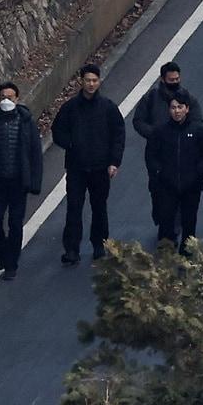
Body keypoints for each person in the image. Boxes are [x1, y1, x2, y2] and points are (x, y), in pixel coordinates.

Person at [51, 64, 125, 264]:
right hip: (76, 168)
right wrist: (72, 144)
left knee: (99, 207)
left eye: (94, 80)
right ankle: (72, 249)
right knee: (74, 207)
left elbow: (118, 135)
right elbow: (57, 130)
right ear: (81, 81)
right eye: (87, 80)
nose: (91, 84)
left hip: (101, 168)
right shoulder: (70, 108)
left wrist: (114, 162)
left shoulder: (108, 108)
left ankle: (99, 244)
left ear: (99, 81)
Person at [0, 80, 44, 280]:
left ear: (17, 98)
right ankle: (3, 250)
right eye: (3, 97)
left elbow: (35, 153)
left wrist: (34, 181)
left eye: (9, 97)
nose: (6, 100)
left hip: (18, 182)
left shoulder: (26, 121)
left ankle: (12, 263)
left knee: (15, 223)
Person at [133, 61, 203, 229]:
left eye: (177, 79)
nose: (175, 82)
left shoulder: (188, 98)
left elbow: (198, 121)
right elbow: (138, 121)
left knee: (180, 189)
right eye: (171, 79)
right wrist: (155, 135)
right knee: (157, 188)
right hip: (157, 152)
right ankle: (161, 216)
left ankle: (175, 222)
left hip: (182, 151)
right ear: (163, 79)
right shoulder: (150, 98)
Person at [144, 95, 203, 253]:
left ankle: (188, 254)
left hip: (191, 186)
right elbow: (151, 155)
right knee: (165, 221)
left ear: (187, 109)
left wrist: (199, 172)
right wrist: (159, 172)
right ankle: (166, 255)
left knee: (189, 222)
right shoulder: (160, 132)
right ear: (169, 110)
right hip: (166, 186)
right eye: (173, 108)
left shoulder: (199, 131)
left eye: (180, 107)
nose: (177, 111)